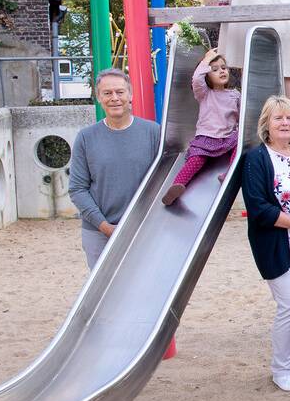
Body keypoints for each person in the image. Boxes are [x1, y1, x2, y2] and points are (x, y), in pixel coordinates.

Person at [240, 95, 290, 393]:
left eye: (289, 117)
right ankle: (282, 368)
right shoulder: (257, 158)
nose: (285, 123)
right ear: (267, 124)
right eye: (278, 118)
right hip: (277, 241)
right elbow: (258, 207)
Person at [69, 69, 161, 270]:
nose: (114, 98)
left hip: (143, 228)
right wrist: (104, 226)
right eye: (107, 93)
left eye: (120, 92)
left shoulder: (153, 132)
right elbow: (77, 188)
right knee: (105, 294)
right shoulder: (86, 137)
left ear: (131, 95)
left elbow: (163, 180)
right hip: (99, 232)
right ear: (99, 97)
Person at [163, 48, 240, 205]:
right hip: (207, 138)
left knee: (240, 143)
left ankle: (229, 173)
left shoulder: (235, 94)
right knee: (196, 159)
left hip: (227, 138)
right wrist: (206, 60)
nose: (221, 71)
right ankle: (177, 186)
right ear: (207, 75)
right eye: (215, 69)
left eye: (224, 68)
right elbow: (197, 79)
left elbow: (241, 116)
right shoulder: (204, 93)